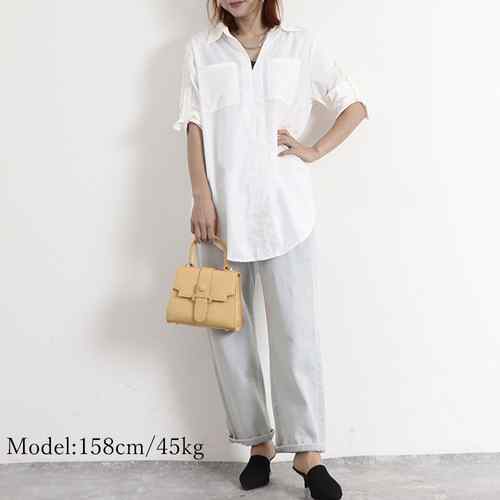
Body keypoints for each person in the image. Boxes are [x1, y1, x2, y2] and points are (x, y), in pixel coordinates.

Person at [172, 0, 368, 498]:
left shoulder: (300, 45)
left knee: (296, 335)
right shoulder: (201, 49)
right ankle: (258, 445)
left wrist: (313, 150)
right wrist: (200, 196)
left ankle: (307, 454)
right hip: (222, 221)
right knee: (227, 334)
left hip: (286, 214)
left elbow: (353, 105)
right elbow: (194, 126)